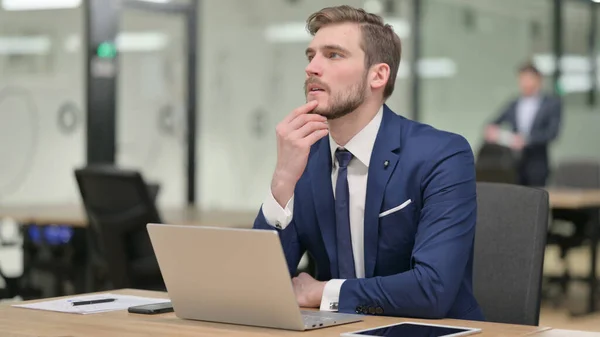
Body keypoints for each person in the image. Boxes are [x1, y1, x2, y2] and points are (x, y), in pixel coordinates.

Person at [252, 5, 484, 320]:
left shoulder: (442, 155)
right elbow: (259, 288)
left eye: (333, 55)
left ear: (378, 75)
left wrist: (324, 292)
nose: (313, 67)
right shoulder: (305, 157)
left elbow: (432, 291)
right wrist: (282, 182)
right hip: (334, 330)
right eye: (311, 56)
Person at [485, 63, 562, 187]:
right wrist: (496, 134)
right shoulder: (514, 103)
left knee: (536, 199)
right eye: (522, 79)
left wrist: (526, 139)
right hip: (513, 163)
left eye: (528, 79)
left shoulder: (551, 104)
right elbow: (493, 123)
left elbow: (552, 133)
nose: (525, 83)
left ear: (538, 80)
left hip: (538, 163)